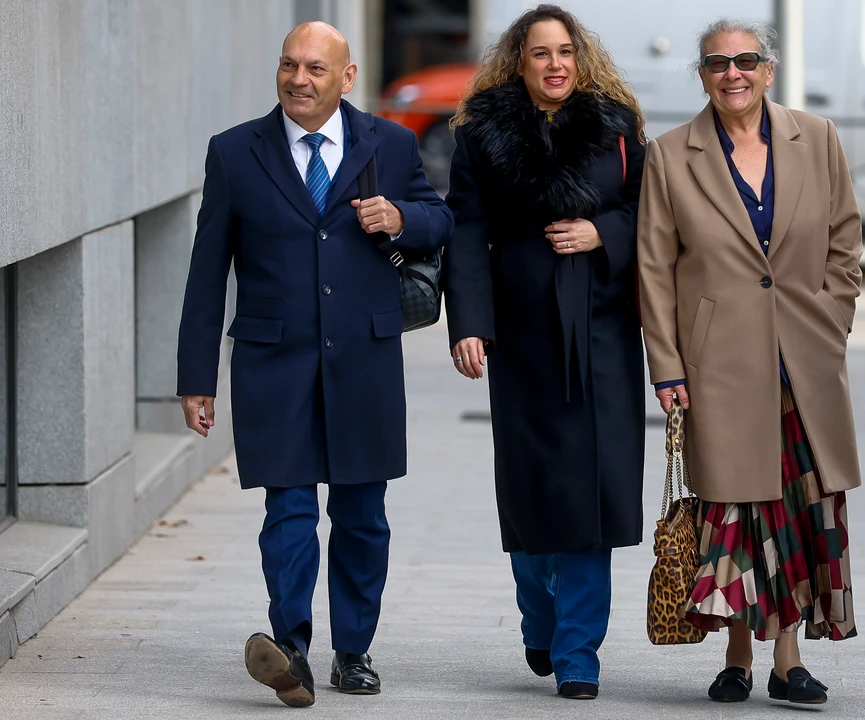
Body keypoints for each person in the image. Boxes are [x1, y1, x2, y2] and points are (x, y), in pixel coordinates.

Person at [176, 22, 452, 708]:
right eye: (289, 65)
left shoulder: (391, 143)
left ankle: (353, 650)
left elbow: (439, 219)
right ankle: (291, 647)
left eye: (316, 69)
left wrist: (400, 219)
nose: (299, 79)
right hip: (274, 359)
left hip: (365, 357)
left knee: (363, 514)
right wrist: (194, 378)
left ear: (347, 76)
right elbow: (207, 272)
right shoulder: (235, 151)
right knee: (289, 511)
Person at [637, 17, 862, 707]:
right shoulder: (671, 155)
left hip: (804, 361)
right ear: (701, 76)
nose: (732, 73)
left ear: (768, 69)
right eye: (716, 63)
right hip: (719, 363)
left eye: (745, 60)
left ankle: (786, 661)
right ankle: (738, 651)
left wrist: (831, 323)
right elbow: (653, 268)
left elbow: (845, 242)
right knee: (734, 509)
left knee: (798, 506)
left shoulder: (817, 138)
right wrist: (668, 369)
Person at [441, 3, 646, 701]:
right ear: (518, 62)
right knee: (531, 488)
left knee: (593, 490)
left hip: (603, 325)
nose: (555, 64)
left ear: (579, 60)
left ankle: (580, 651)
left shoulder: (618, 128)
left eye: (565, 52)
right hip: (523, 324)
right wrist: (469, 322)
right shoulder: (482, 135)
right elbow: (466, 231)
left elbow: (652, 211)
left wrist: (603, 236)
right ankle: (541, 616)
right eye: (540, 53)